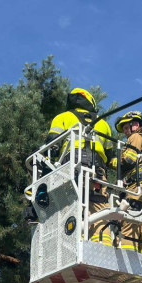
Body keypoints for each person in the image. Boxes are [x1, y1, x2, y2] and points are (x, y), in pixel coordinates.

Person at [46, 87, 114, 245]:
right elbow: (110, 154)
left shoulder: (62, 117)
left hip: (70, 167)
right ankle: (102, 242)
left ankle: (73, 241)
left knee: (70, 205)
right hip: (98, 171)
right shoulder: (103, 124)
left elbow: (52, 145)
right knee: (99, 207)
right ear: (91, 102)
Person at [114, 110, 142, 257]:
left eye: (127, 127)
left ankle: (129, 258)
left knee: (128, 222)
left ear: (136, 125)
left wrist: (113, 161)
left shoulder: (136, 137)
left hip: (136, 187)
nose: (126, 132)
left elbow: (128, 159)